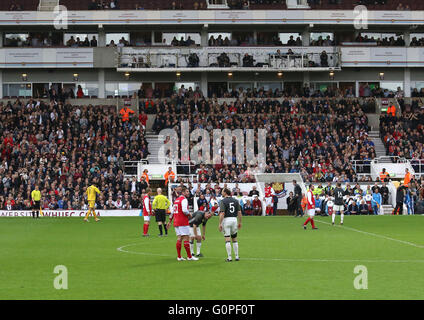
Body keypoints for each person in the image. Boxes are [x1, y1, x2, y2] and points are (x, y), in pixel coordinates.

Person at [167, 187, 198, 261]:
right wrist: (189, 214)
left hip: (176, 222)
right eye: (187, 191)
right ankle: (189, 257)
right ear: (183, 192)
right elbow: (184, 210)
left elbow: (172, 212)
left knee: (179, 238)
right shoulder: (184, 199)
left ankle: (179, 256)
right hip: (182, 222)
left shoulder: (176, 200)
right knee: (186, 238)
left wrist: (170, 221)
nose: (188, 193)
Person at [219, 188, 242, 262]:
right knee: (234, 238)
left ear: (225, 193)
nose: (221, 193)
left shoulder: (223, 201)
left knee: (227, 238)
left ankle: (229, 257)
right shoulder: (235, 200)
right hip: (234, 220)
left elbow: (222, 213)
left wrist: (220, 223)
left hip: (227, 220)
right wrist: (240, 222)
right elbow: (239, 212)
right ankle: (237, 256)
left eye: (222, 191)